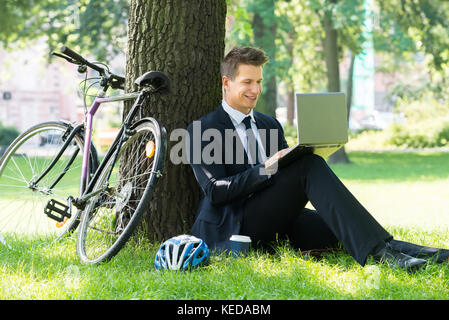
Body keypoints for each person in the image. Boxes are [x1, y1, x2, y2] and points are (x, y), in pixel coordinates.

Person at [186, 46, 449, 270]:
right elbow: (215, 191)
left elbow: (287, 177)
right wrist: (266, 168)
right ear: (226, 82)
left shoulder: (270, 124)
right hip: (234, 225)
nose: (255, 89)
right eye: (247, 82)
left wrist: (293, 156)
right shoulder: (204, 130)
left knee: (348, 228)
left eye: (259, 82)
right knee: (309, 165)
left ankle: (430, 256)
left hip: (278, 218)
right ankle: (385, 257)